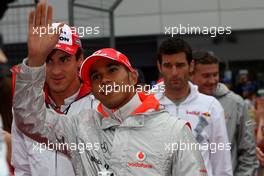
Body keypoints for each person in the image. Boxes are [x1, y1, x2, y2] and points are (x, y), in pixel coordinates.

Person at [13, 2, 207, 175]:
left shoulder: (173, 131)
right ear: (93, 88)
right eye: (96, 76)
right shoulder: (80, 126)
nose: (104, 80)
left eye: (112, 70)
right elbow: (29, 119)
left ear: (133, 77)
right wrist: (36, 60)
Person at [11, 21, 94, 176]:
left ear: (80, 59)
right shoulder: (24, 110)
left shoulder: (99, 106)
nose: (56, 71)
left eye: (64, 59)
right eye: (48, 60)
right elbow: (22, 168)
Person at [154, 38, 232, 176]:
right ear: (159, 67)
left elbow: (222, 164)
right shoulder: (147, 104)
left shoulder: (211, 106)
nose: (174, 73)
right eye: (167, 65)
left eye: (180, 65)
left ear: (191, 65)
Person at [190, 50, 259, 176]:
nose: (212, 81)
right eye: (206, 76)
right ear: (191, 75)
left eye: (215, 74)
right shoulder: (181, 103)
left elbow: (248, 152)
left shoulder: (236, 103)